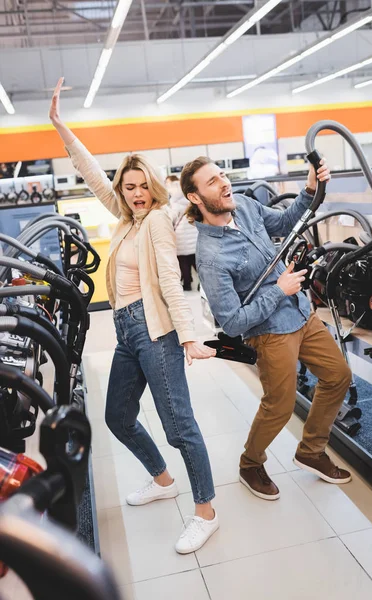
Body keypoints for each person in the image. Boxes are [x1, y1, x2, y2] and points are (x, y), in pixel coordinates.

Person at [49, 78, 218, 553]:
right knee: (117, 416)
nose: (138, 193)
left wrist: (186, 337)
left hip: (155, 330)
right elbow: (93, 176)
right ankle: (163, 481)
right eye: (130, 187)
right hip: (125, 329)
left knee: (179, 425)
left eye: (144, 186)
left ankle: (206, 511)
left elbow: (169, 280)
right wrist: (62, 127)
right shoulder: (125, 217)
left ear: (154, 187)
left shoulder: (158, 221)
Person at [179, 156, 353, 501]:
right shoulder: (211, 256)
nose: (225, 183)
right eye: (212, 181)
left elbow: (285, 222)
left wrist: (309, 189)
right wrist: (279, 290)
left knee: (338, 376)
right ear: (195, 198)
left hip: (301, 314)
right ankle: (250, 463)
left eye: (222, 175)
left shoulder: (242, 205)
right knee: (280, 405)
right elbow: (231, 323)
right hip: (270, 332)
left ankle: (311, 450)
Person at [165, 175, 198, 291]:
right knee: (196, 262)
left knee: (184, 263)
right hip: (194, 238)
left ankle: (187, 284)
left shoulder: (175, 204)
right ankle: (202, 283)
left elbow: (170, 220)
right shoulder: (191, 201)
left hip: (181, 239)